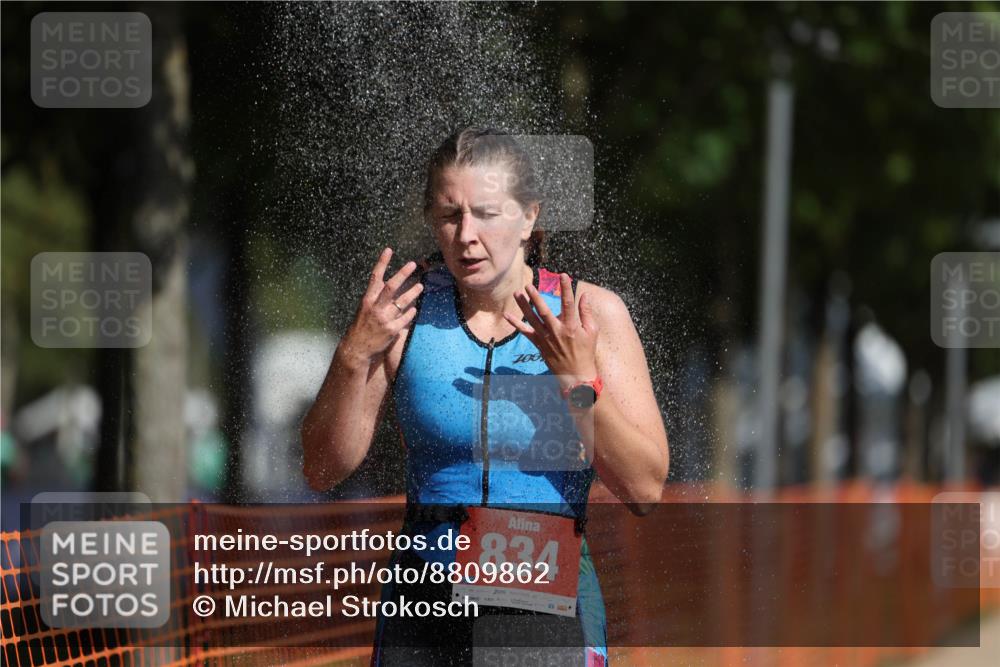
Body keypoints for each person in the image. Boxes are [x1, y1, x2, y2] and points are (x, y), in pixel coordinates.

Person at [302, 127, 669, 666]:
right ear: (431, 219)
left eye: (487, 214)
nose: (467, 236)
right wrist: (353, 355)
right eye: (450, 216)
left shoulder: (589, 314)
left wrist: (578, 382)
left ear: (529, 217)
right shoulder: (402, 315)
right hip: (423, 606)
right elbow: (321, 469)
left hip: (546, 602)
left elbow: (644, 488)